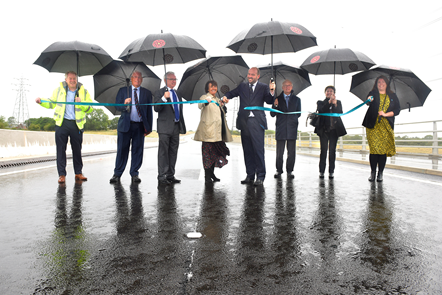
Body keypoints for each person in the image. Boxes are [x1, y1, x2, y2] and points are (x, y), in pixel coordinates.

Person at [35, 71, 93, 183]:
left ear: (77, 79)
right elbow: (51, 103)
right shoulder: (59, 90)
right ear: (66, 79)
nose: (72, 80)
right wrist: (41, 101)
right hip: (62, 123)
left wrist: (82, 104)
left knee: (77, 150)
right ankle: (62, 175)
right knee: (61, 150)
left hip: (76, 124)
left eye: (74, 78)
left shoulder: (84, 92)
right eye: (70, 78)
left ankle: (78, 173)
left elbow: (90, 108)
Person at [222, 67, 275, 186]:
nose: (249, 76)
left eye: (252, 75)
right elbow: (232, 93)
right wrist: (226, 97)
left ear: (258, 76)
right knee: (247, 150)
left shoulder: (264, 87)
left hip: (257, 122)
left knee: (258, 150)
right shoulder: (243, 86)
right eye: (249, 74)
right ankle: (250, 175)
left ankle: (260, 176)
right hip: (244, 122)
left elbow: (269, 101)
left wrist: (272, 91)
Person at [109, 71, 153, 184]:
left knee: (137, 151)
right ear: (131, 78)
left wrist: (149, 128)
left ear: (142, 79)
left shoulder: (147, 93)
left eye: (139, 77)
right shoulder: (123, 91)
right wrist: (124, 104)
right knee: (122, 150)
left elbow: (149, 111)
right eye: (135, 77)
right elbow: (117, 106)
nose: (137, 79)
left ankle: (135, 174)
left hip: (139, 126)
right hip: (125, 126)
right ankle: (117, 174)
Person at [363, 75, 400, 182]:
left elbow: (397, 110)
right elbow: (368, 101)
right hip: (373, 125)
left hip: (386, 126)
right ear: (376, 84)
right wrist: (369, 99)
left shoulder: (392, 95)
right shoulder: (373, 93)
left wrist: (385, 114)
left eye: (383, 82)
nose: (381, 84)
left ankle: (380, 173)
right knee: (374, 149)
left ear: (387, 84)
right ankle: (373, 172)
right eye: (379, 82)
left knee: (382, 151)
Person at [194, 80, 233, 183]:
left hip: (217, 133)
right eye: (211, 87)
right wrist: (206, 101)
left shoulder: (217, 99)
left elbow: (222, 113)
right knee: (207, 155)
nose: (213, 88)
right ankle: (207, 177)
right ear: (207, 88)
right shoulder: (204, 97)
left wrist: (223, 104)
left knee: (215, 154)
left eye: (215, 86)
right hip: (208, 132)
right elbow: (200, 105)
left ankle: (212, 174)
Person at [154, 72, 186, 185]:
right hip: (164, 127)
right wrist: (164, 98)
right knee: (163, 153)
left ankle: (170, 175)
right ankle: (162, 176)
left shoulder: (178, 93)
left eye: (175, 79)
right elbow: (156, 108)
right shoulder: (159, 92)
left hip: (176, 127)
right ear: (165, 80)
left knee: (173, 152)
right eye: (171, 79)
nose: (174, 81)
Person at [314, 86, 347, 179]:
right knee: (323, 151)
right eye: (327, 91)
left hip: (334, 131)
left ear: (334, 93)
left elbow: (340, 112)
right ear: (325, 93)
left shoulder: (338, 102)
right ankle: (321, 171)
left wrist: (335, 104)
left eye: (331, 91)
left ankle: (331, 171)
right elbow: (321, 110)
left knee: (332, 151)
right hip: (323, 130)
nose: (329, 92)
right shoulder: (320, 102)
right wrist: (329, 102)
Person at [270, 80, 301, 179]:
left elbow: (298, 114)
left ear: (292, 87)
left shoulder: (297, 99)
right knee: (279, 153)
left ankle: (290, 171)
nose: (287, 87)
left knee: (291, 152)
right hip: (281, 128)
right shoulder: (277, 99)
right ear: (282, 87)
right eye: (285, 85)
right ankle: (279, 170)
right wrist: (275, 105)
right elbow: (272, 114)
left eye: (289, 85)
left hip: (292, 128)